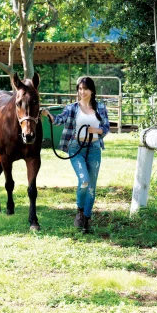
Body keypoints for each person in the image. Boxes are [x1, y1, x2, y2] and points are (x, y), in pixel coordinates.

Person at [41, 77, 110, 233]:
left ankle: (86, 219)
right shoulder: (72, 108)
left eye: (85, 89)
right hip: (76, 147)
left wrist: (97, 131)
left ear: (92, 91)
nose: (82, 92)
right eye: (79, 89)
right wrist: (48, 115)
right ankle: (79, 211)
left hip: (94, 148)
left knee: (92, 187)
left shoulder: (100, 108)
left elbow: (106, 128)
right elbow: (59, 120)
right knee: (84, 180)